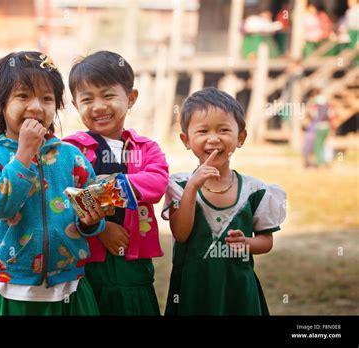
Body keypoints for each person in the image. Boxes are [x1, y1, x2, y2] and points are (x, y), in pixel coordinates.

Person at [0, 51, 107, 315]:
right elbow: (2, 206)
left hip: (71, 284)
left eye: (47, 99)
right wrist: (24, 155)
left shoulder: (72, 157)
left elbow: (90, 213)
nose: (36, 107)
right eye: (23, 96)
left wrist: (91, 220)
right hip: (17, 287)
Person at [162, 87, 286, 315]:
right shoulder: (179, 185)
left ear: (240, 138)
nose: (213, 138)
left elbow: (266, 241)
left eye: (223, 130)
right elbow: (180, 234)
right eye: (202, 131)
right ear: (186, 140)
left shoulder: (254, 190)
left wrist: (247, 243)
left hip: (238, 291)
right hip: (193, 291)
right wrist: (192, 187)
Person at [64, 51, 169, 315]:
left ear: (131, 98)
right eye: (87, 99)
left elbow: (156, 183)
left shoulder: (145, 148)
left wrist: (108, 186)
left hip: (133, 263)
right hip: (86, 263)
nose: (98, 106)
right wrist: (101, 227)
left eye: (108, 95)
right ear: (76, 106)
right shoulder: (71, 150)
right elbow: (66, 198)